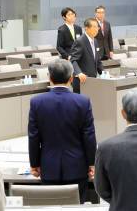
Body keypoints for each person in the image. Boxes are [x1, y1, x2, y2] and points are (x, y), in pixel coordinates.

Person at [28, 60, 96, 203]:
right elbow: (88, 136)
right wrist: (92, 163)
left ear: (49, 78)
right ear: (71, 78)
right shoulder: (83, 102)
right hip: (77, 167)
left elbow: (34, 137)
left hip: (48, 167)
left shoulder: (36, 102)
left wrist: (34, 164)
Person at [70, 18, 103, 93]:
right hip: (81, 81)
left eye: (97, 27)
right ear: (86, 28)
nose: (97, 29)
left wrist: (104, 73)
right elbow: (73, 60)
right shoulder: (80, 41)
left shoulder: (95, 41)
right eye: (94, 27)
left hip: (92, 80)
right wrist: (79, 73)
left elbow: (97, 60)